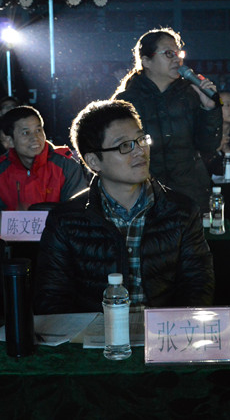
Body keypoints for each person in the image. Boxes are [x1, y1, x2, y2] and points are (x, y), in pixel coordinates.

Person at [34, 99, 215, 314]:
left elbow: (198, 285)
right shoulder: (66, 220)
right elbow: (52, 298)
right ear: (94, 161)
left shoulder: (181, 211)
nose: (139, 151)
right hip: (95, 332)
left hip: (164, 331)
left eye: (141, 139)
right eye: (124, 146)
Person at [113, 28, 221, 212]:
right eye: (169, 54)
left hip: (190, 194)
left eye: (179, 54)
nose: (177, 60)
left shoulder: (191, 94)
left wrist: (209, 109)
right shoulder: (127, 101)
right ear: (146, 61)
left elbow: (208, 146)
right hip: (145, 197)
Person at [0, 106, 87, 214]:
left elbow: (76, 213)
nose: (35, 138)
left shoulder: (66, 167)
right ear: (9, 141)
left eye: (38, 130)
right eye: (26, 133)